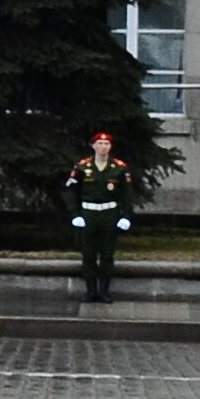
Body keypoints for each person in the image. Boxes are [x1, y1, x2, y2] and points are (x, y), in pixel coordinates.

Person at [66, 130, 140, 304]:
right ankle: (91, 291)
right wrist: (75, 214)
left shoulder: (119, 168)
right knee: (88, 254)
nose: (103, 147)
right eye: (99, 144)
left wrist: (126, 216)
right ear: (93, 146)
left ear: (110, 147)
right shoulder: (82, 167)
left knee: (107, 254)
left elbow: (127, 194)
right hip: (88, 213)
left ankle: (104, 291)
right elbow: (71, 191)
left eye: (106, 144)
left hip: (109, 214)